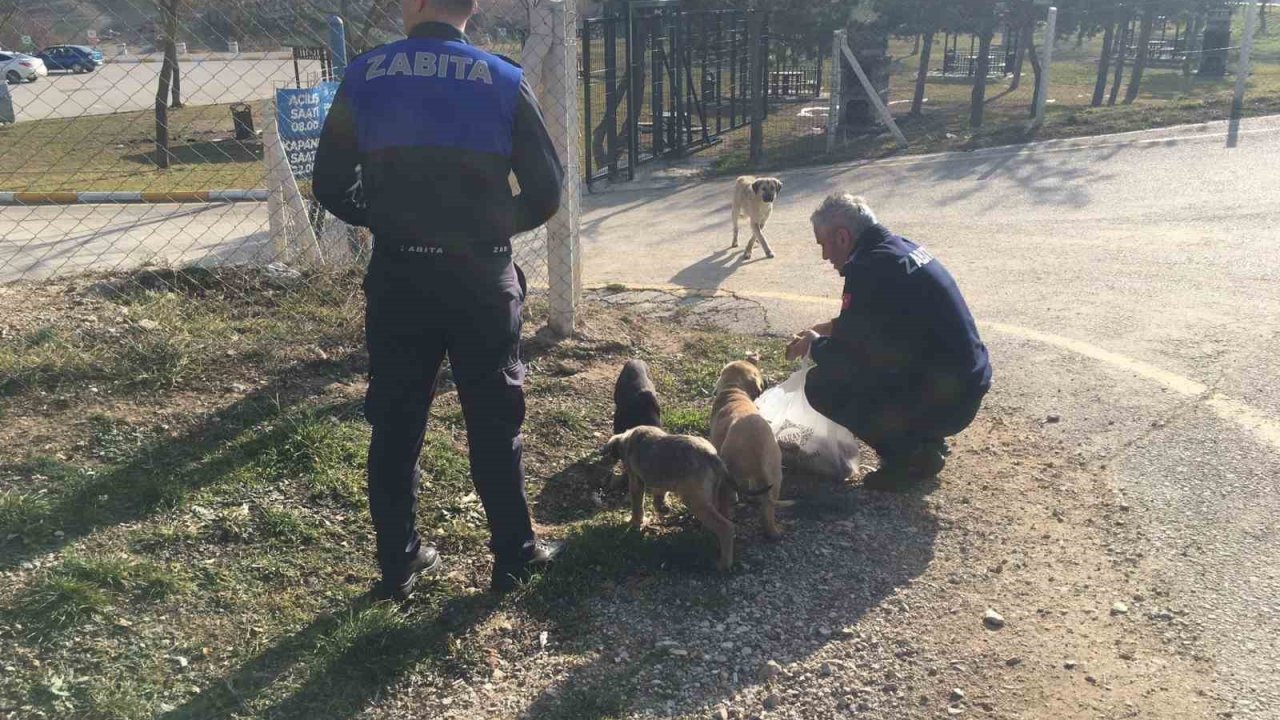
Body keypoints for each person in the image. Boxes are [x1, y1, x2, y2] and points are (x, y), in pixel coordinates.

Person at [313, 0, 564, 600]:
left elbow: (327, 184)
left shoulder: (366, 75)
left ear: (418, 4)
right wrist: (485, 228)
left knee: (396, 420)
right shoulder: (501, 79)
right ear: (469, 8)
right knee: (494, 416)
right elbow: (546, 191)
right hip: (481, 278)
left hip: (402, 275)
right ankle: (514, 555)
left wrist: (388, 219)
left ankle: (398, 563)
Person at [786, 194, 991, 492]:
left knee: (822, 384)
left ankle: (909, 457)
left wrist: (815, 346)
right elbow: (874, 323)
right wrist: (823, 330)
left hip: (947, 404)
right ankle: (925, 440)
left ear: (842, 237)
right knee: (879, 367)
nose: (824, 256)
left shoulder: (867, 268)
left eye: (823, 244)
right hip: (965, 388)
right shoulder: (897, 248)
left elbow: (852, 360)